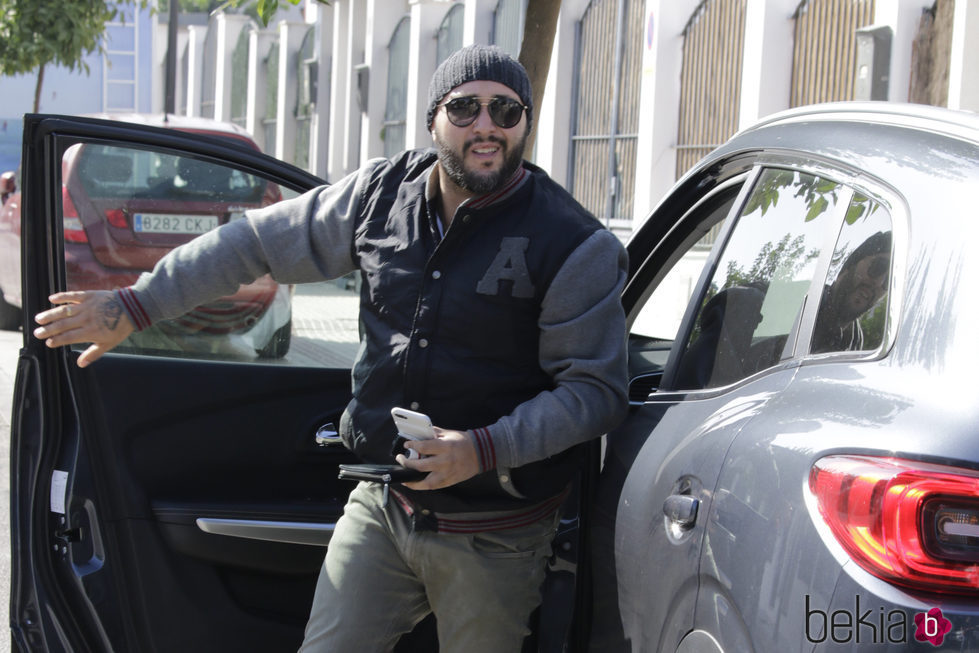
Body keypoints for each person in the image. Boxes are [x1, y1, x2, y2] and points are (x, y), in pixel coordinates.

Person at [33, 44, 629, 651]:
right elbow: (253, 245)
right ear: (432, 120)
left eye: (506, 112)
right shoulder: (379, 196)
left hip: (497, 534)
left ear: (526, 122)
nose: (486, 126)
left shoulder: (573, 244)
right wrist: (136, 305)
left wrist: (482, 448)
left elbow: (593, 393)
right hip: (384, 506)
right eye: (466, 107)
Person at [811, 231, 891, 353]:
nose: (879, 283)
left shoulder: (855, 341)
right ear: (852, 263)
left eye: (889, 281)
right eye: (879, 267)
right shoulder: (802, 306)